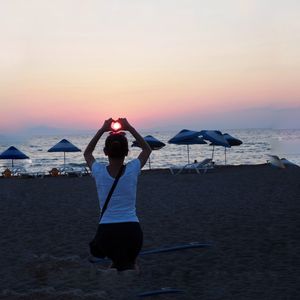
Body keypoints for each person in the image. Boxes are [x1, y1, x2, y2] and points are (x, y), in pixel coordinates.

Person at [84, 118, 152, 271]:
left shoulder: (99, 172)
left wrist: (102, 129)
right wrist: (129, 127)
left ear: (105, 152)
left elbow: (87, 153)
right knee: (131, 264)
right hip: (132, 233)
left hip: (106, 234)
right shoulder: (133, 169)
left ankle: (115, 266)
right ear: (127, 152)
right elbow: (147, 150)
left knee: (115, 261)